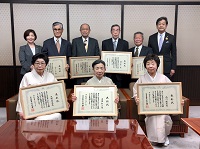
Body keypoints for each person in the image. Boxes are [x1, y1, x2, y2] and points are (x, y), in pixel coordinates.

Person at [133, 54, 172, 147]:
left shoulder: (164, 78)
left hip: (162, 107)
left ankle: (164, 137)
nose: (150, 66)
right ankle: (154, 139)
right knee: (152, 117)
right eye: (148, 64)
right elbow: (135, 92)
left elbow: (172, 91)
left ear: (157, 65)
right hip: (148, 107)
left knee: (164, 117)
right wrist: (136, 98)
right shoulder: (142, 79)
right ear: (145, 66)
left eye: (153, 63)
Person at [16, 53, 67, 120]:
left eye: (42, 63)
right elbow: (21, 94)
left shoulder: (50, 75)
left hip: (49, 107)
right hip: (33, 108)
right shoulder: (27, 76)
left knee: (58, 115)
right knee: (40, 119)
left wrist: (64, 103)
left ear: (46, 65)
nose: (40, 65)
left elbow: (57, 91)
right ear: (33, 64)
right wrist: (21, 111)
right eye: (37, 63)